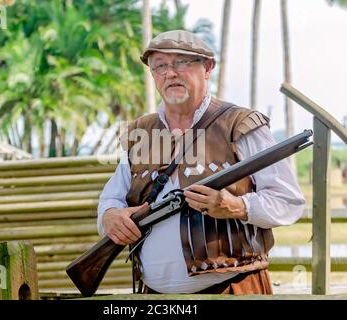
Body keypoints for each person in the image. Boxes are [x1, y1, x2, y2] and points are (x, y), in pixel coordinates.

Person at [97, 30, 305, 295]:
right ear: (152, 74)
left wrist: (237, 206)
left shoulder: (239, 125)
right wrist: (110, 217)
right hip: (152, 295)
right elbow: (110, 199)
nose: (170, 73)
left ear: (207, 68)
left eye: (181, 63)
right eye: (160, 65)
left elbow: (289, 201)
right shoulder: (141, 132)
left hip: (233, 290)